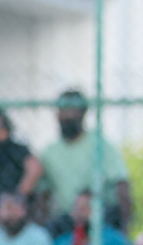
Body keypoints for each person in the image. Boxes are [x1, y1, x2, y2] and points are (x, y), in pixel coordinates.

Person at [39, 89, 132, 231]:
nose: (66, 116)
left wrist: (126, 225)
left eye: (71, 111)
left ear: (82, 113)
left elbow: (121, 183)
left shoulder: (100, 145)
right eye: (62, 111)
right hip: (67, 217)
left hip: (99, 213)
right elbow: (43, 193)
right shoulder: (49, 152)